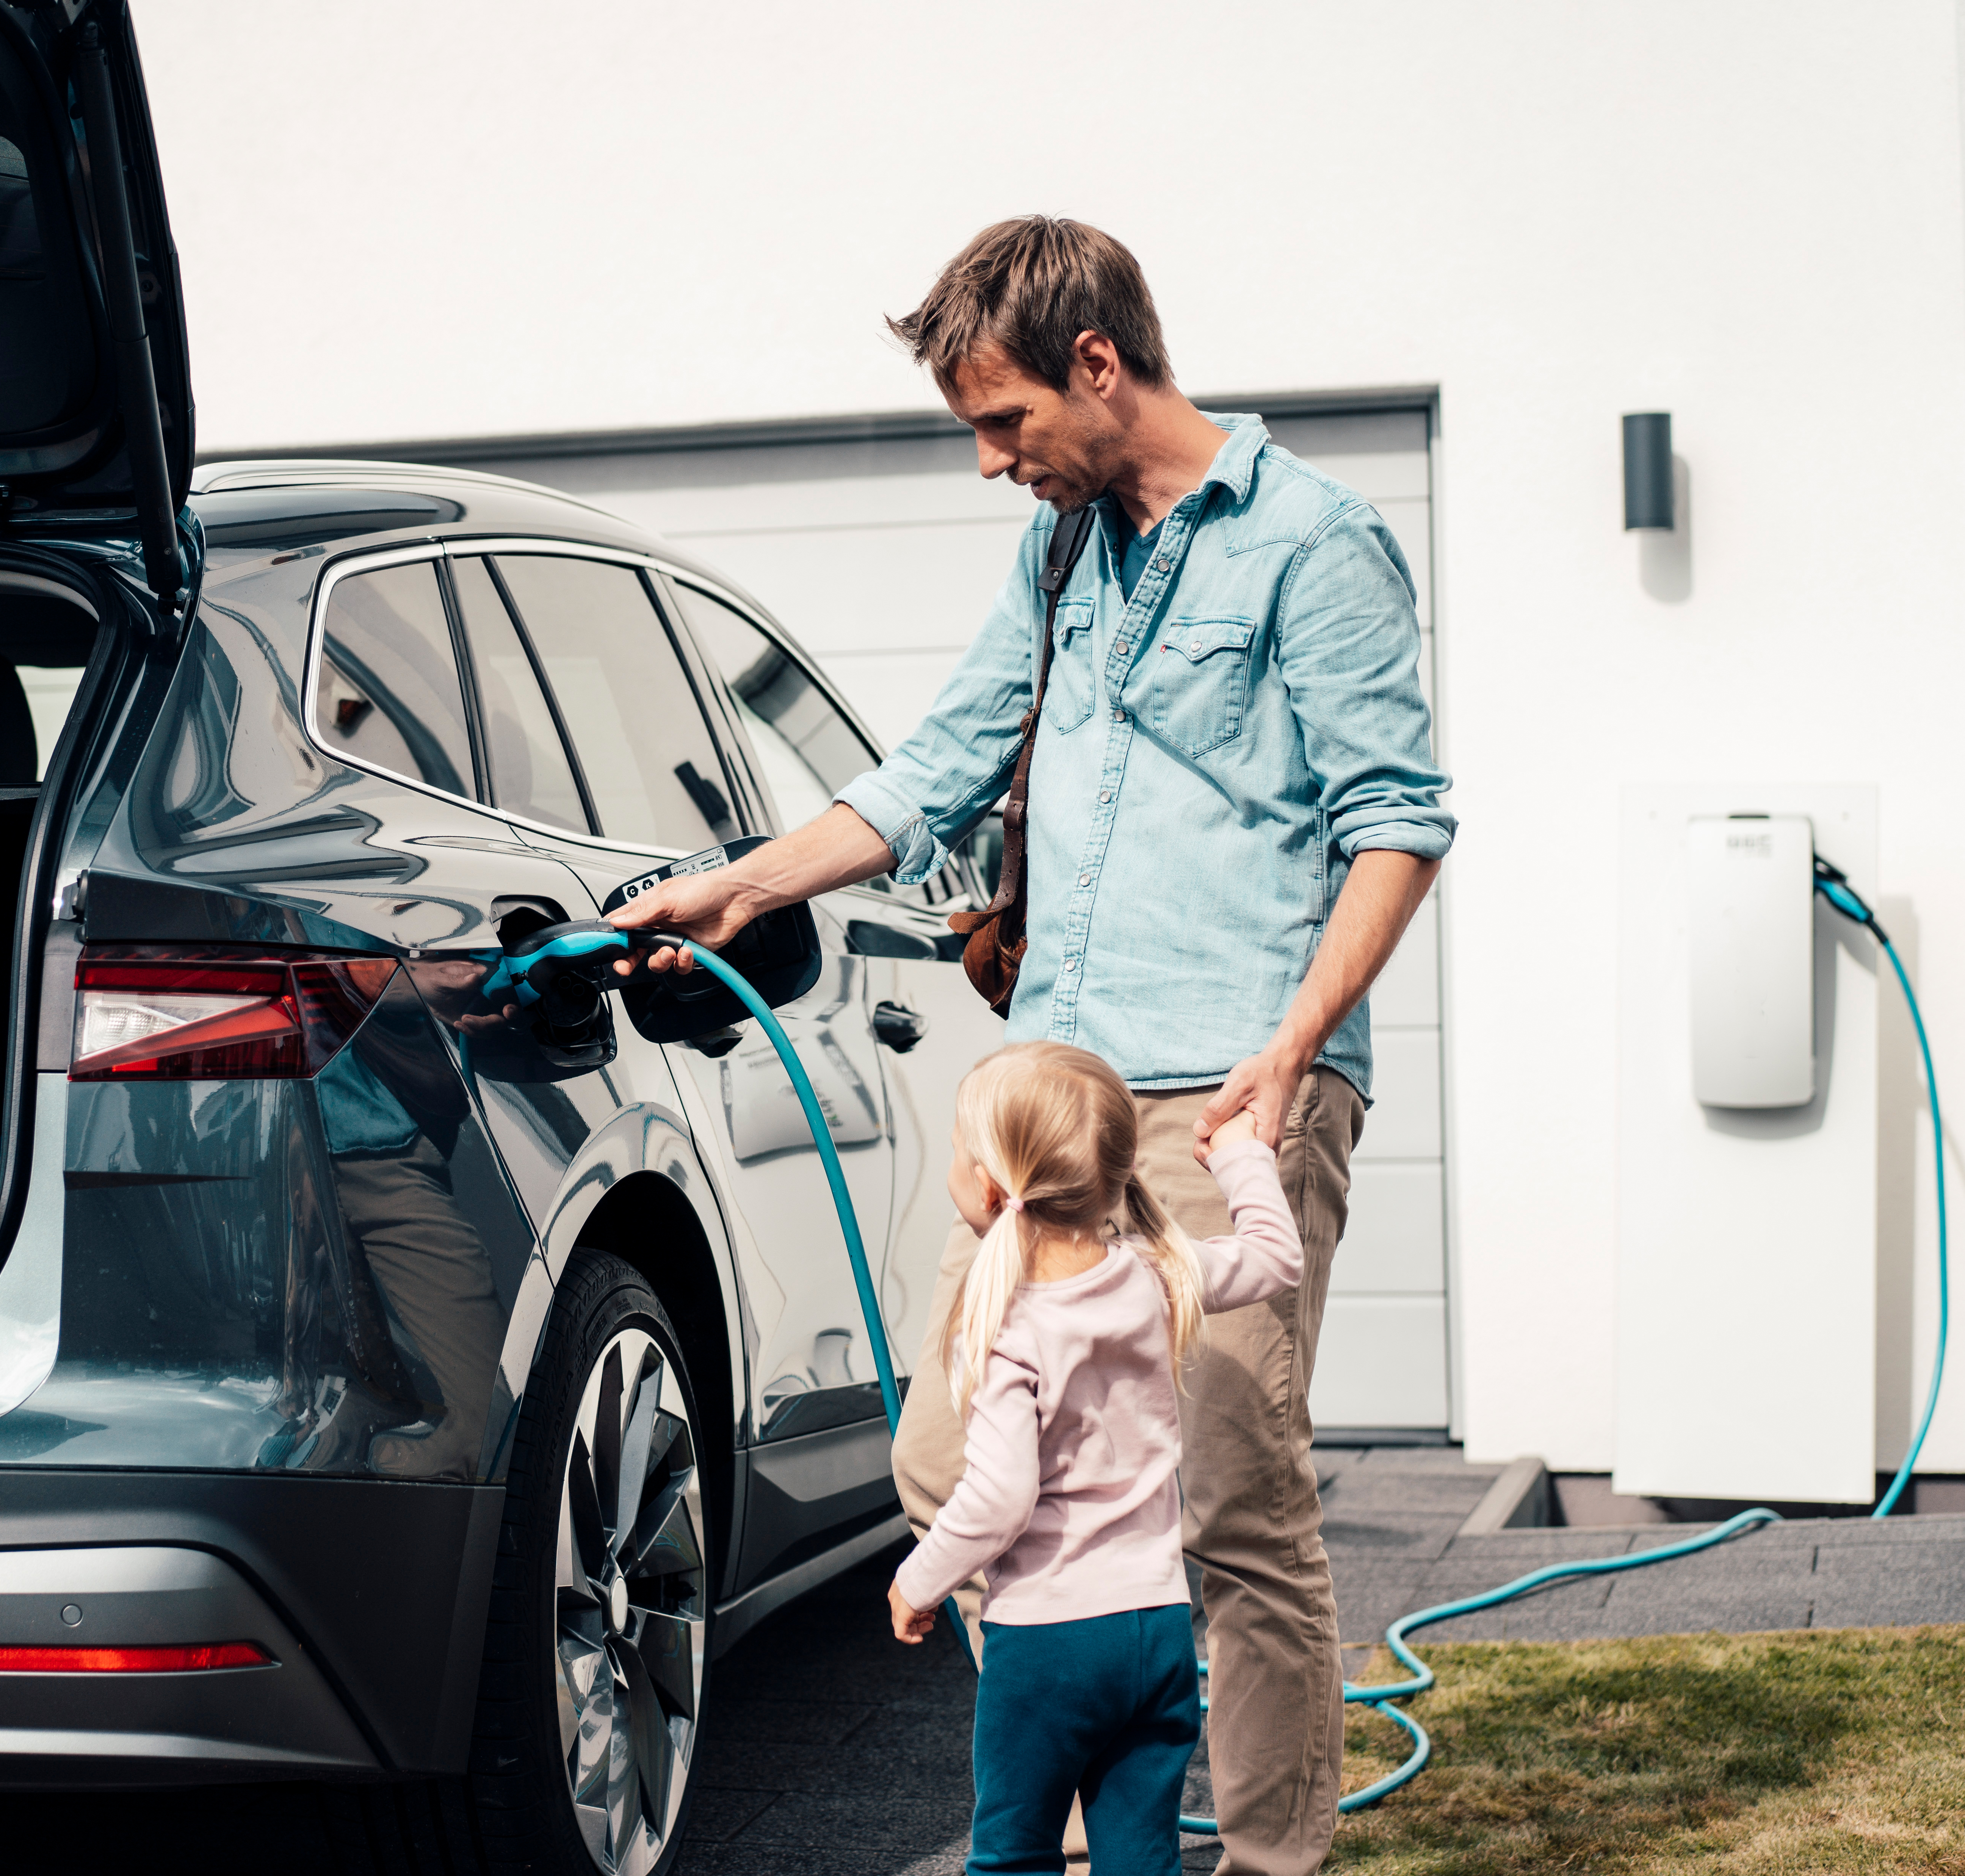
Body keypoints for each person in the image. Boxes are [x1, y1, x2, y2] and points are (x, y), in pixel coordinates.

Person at [610, 216, 1453, 1873]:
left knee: (1227, 1501)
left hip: (1222, 1095)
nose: (992, 464)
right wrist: (737, 885)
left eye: (1003, 424)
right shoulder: (1060, 555)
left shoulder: (1311, 543)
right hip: (1046, 1116)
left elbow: (1396, 822)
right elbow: (931, 765)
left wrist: (1289, 1056)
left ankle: (1276, 1854)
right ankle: (1103, 1807)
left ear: (1096, 365)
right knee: (943, 1459)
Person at [892, 1043, 1300, 1875]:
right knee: (1140, 1860)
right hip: (1155, 1634)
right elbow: (1274, 1256)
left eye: (962, 1148)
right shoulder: (1158, 1275)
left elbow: (1001, 1497)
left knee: (1014, 1854)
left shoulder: (1007, 1327)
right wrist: (1243, 1157)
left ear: (995, 1189)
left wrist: (918, 1579)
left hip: (1049, 1644)